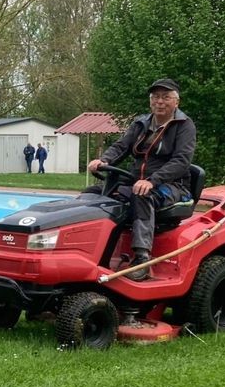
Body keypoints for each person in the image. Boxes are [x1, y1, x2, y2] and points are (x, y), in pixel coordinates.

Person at [84, 78, 196, 281]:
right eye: (155, 97)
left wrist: (153, 180)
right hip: (135, 181)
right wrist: (104, 159)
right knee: (92, 195)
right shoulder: (141, 123)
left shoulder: (184, 126)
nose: (159, 102)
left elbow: (181, 161)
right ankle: (90, 251)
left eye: (165, 97)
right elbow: (121, 146)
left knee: (141, 194)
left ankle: (142, 258)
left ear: (176, 102)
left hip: (172, 185)